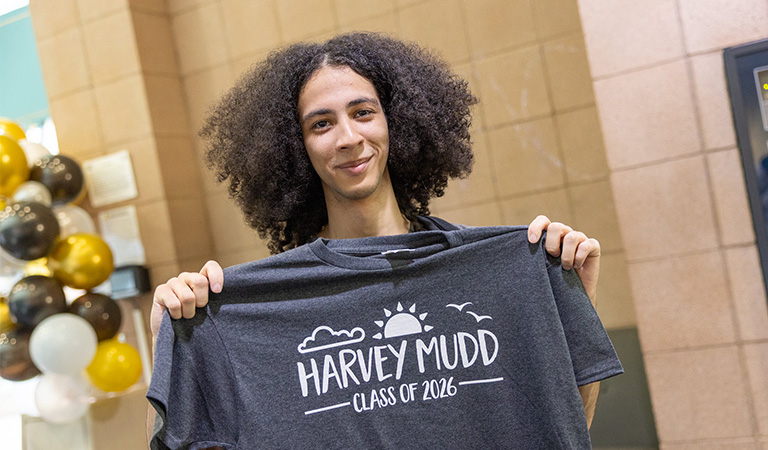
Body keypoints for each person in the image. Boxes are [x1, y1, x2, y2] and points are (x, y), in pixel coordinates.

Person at [147, 32, 614, 449]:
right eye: (321, 124)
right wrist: (168, 336)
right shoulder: (255, 314)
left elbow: (564, 429)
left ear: (397, 121)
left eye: (363, 112)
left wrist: (572, 297)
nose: (349, 137)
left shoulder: (506, 267)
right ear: (296, 147)